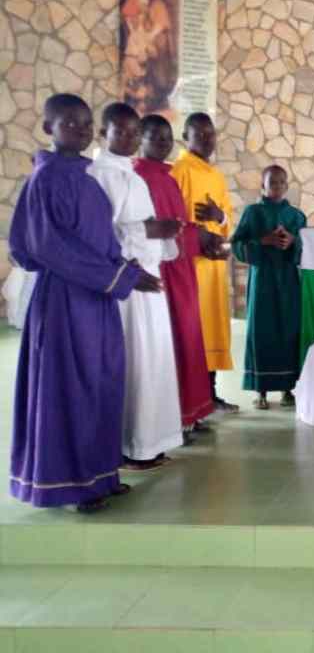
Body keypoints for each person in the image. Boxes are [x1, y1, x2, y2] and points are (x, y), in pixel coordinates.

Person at [9, 94, 160, 512]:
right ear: (49, 128)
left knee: (101, 383)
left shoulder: (86, 177)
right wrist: (120, 277)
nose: (80, 130)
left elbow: (100, 239)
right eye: (69, 123)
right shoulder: (45, 179)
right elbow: (49, 247)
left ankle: (101, 476)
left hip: (97, 299)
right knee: (71, 389)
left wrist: (123, 268)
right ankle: (73, 485)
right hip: (65, 303)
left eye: (85, 123)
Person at [89, 103, 183, 470]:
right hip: (125, 280)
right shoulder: (99, 175)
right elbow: (100, 233)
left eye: (133, 132)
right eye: (121, 131)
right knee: (134, 360)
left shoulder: (130, 174)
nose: (128, 138)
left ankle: (148, 441)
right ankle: (131, 444)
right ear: (104, 134)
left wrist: (160, 231)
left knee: (153, 357)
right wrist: (148, 230)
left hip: (147, 275)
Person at [134, 115, 220, 437]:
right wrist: (194, 237)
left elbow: (180, 222)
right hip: (162, 270)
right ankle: (174, 418)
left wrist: (204, 238)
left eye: (167, 138)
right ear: (140, 139)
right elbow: (148, 229)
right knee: (171, 341)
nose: (163, 143)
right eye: (155, 137)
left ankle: (190, 412)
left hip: (182, 267)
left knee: (189, 337)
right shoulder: (140, 176)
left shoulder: (167, 177)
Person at [171, 113, 238, 412]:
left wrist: (218, 216)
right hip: (193, 262)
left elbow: (227, 218)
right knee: (195, 328)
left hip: (214, 263)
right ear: (185, 138)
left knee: (213, 327)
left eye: (210, 134)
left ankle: (211, 393)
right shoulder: (180, 170)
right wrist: (198, 239)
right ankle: (193, 397)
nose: (207, 139)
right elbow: (175, 216)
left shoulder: (216, 175)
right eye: (199, 134)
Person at [231, 165, 307, 410]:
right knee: (261, 330)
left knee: (289, 329)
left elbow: (308, 247)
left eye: (281, 182)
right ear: (262, 185)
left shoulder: (296, 216)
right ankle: (261, 390)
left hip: (288, 281)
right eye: (272, 182)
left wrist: (293, 242)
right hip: (262, 279)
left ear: (287, 185)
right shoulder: (252, 213)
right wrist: (263, 241)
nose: (277, 186)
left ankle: (287, 389)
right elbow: (237, 245)